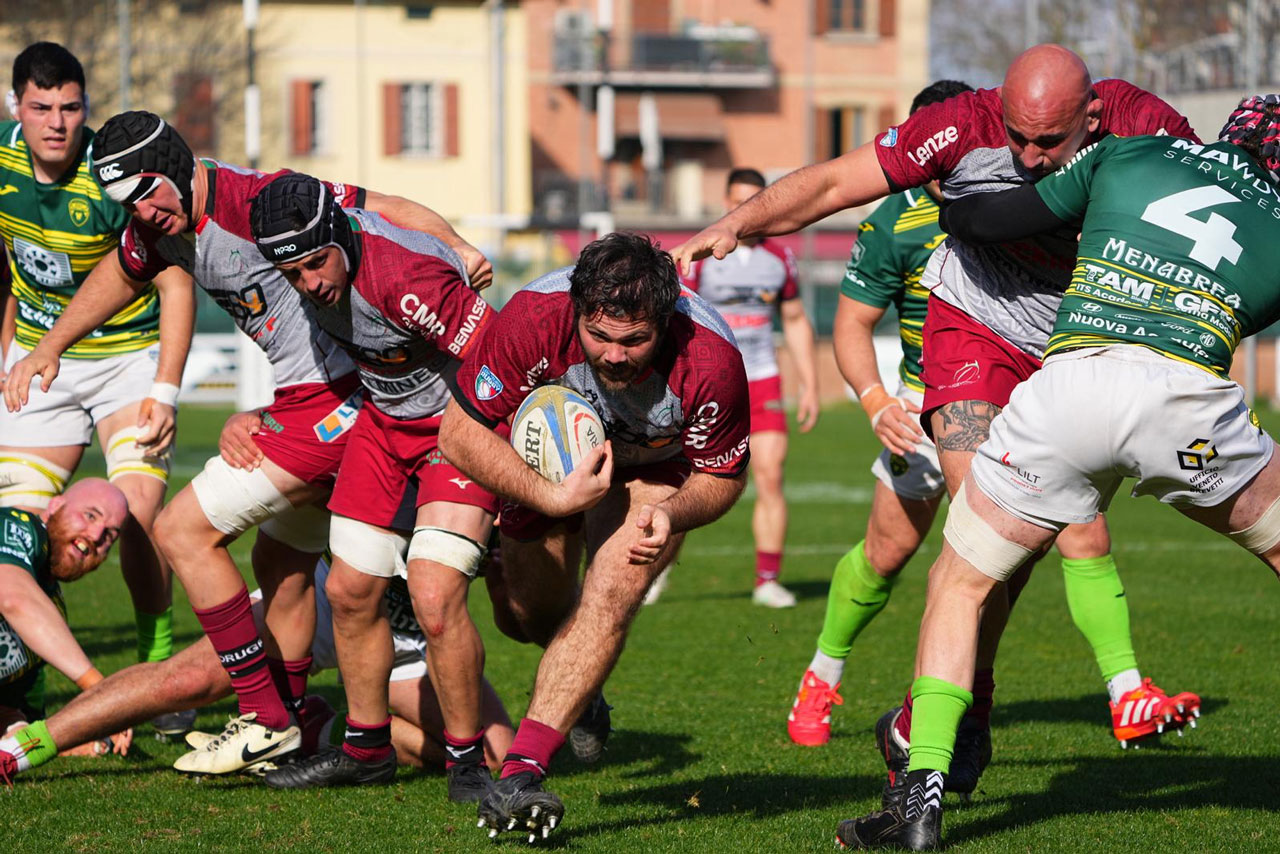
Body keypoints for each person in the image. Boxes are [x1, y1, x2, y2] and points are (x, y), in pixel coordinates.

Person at [674, 45, 1201, 799]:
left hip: (1073, 347)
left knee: (1017, 548)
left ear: (1092, 114)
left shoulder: (1145, 124)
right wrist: (739, 224)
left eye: (1048, 142)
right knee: (976, 532)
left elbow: (1208, 210)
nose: (1027, 156)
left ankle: (959, 712)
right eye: (1016, 136)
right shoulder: (954, 135)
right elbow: (831, 183)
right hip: (969, 340)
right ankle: (869, 702)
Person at [835, 94, 1280, 851]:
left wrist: (958, 208)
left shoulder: (1129, 154)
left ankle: (921, 797)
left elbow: (997, 220)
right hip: (1186, 409)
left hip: (1067, 390)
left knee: (959, 584)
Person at [2, 110, 493, 777]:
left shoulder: (263, 202)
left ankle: (269, 719)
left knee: (179, 531)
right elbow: (120, 274)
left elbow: (381, 207)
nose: (141, 213)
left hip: (338, 402)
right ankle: (297, 719)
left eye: (147, 191)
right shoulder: (159, 228)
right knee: (279, 565)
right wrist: (50, 348)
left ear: (177, 161)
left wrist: (456, 243)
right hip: (304, 406)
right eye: (126, 205)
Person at [437, 232, 751, 842]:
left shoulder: (711, 358)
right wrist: (554, 497)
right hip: (548, 468)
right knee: (532, 617)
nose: (613, 355)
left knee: (611, 593)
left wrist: (675, 513)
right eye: (599, 336)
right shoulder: (532, 315)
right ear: (575, 312)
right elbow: (458, 433)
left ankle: (522, 774)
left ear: (665, 321)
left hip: (652, 473)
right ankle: (587, 690)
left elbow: (723, 475)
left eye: (634, 340)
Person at [247, 172, 501, 802]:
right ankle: (366, 750)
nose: (310, 284)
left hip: (454, 430)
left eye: (315, 264)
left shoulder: (406, 278)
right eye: (293, 273)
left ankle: (467, 762)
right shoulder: (306, 254)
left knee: (439, 601)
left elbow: (495, 359)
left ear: (338, 236)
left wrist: (480, 447)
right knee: (350, 588)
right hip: (382, 427)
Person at [0, 43, 194, 690]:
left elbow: (173, 282)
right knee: (19, 525)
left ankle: (156, 663)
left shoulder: (110, 171)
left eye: (70, 107)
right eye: (41, 107)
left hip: (126, 362)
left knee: (133, 515)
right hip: (38, 359)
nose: (56, 122)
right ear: (16, 107)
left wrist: (164, 390)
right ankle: (20, 666)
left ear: (86, 107)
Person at [0, 554, 515, 784]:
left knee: (496, 756)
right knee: (191, 679)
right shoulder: (398, 395)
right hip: (332, 596)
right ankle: (22, 749)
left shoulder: (496, 435)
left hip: (416, 632)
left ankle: (318, 730)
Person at [679, 167, 819, 609]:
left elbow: (794, 320)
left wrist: (810, 384)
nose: (745, 209)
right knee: (684, 483)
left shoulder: (780, 259)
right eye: (737, 199)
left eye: (753, 200)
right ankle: (658, 569)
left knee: (771, 475)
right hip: (708, 385)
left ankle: (767, 580)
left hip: (761, 380)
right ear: (725, 202)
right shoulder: (702, 255)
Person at [0, 477, 131, 762]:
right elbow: (13, 598)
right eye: (90, 515)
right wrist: (102, 692)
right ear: (55, 506)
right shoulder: (15, 526)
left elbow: (12, 713)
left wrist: (61, 738)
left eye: (109, 536)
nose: (96, 535)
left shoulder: (51, 613)